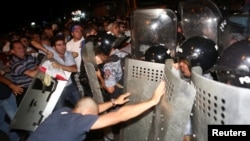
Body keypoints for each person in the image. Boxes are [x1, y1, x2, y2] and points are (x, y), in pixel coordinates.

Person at [26, 80, 166, 141]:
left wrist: (114, 102)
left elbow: (93, 108)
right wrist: (152, 101)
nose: (94, 118)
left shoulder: (62, 111)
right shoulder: (77, 123)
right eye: (92, 117)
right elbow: (119, 115)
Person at [175, 36, 219, 141]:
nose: (180, 64)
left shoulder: (207, 91)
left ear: (199, 63)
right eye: (180, 60)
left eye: (184, 61)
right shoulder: (194, 81)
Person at [0, 73, 23, 141]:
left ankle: (39, 135)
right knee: (1, 124)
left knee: (18, 122)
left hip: (4, 97)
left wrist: (12, 86)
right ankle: (16, 139)